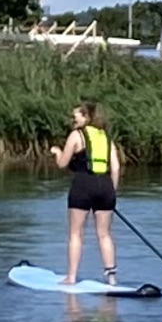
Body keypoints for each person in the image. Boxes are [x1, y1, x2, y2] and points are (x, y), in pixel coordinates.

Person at [49, 102, 122, 286]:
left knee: (76, 234)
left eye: (76, 117)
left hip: (83, 185)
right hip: (106, 187)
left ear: (87, 117)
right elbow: (116, 168)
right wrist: (111, 193)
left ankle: (71, 277)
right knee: (104, 234)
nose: (73, 120)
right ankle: (111, 278)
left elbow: (63, 164)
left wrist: (57, 152)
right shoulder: (106, 137)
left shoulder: (76, 135)